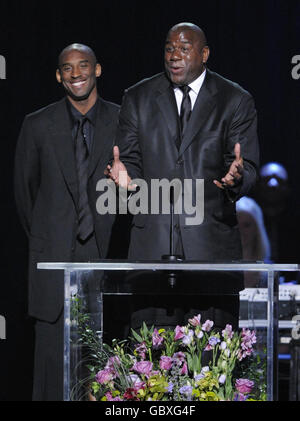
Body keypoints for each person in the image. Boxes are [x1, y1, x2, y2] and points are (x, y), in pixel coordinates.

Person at [107, 23, 260, 333]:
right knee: (150, 370)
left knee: (212, 370)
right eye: (168, 48)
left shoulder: (234, 99)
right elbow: (131, 160)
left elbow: (248, 168)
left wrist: (237, 180)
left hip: (211, 253)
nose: (174, 56)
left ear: (204, 54)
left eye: (184, 49)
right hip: (152, 252)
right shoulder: (137, 97)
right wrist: (128, 182)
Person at [14, 44, 119, 400]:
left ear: (98, 70)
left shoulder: (122, 121)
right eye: (68, 68)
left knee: (107, 371)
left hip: (107, 260)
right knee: (52, 376)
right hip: (53, 265)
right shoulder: (37, 125)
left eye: (84, 66)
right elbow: (24, 196)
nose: (76, 74)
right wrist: (53, 235)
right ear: (59, 75)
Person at [236, 196, 271, 287]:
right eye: (236, 225)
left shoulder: (269, 273)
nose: (241, 231)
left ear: (257, 229)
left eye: (246, 225)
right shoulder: (220, 270)